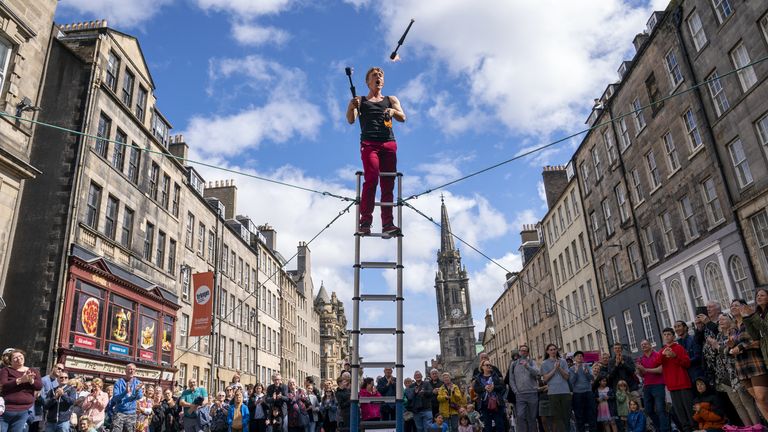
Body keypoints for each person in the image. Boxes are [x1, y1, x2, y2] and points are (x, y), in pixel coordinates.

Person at [346, 66, 406, 237]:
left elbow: (403, 117)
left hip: (388, 144)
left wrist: (393, 111)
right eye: (374, 75)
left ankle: (387, 223)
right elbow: (351, 119)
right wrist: (352, 107)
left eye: (380, 75)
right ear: (368, 81)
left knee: (388, 183)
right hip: (369, 144)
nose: (378, 77)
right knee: (371, 178)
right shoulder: (360, 100)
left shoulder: (391, 99)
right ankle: (365, 221)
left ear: (383, 81)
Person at [729, 299, 768, 421]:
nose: (733, 307)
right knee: (757, 399)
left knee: (761, 397)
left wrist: (739, 347)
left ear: (744, 307)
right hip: (741, 365)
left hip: (754, 361)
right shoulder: (732, 327)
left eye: (736, 305)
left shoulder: (748, 321)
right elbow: (729, 347)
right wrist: (730, 348)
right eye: (732, 306)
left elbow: (755, 340)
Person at [653, 328, 693, 432]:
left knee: (689, 408)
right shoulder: (662, 351)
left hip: (683, 383)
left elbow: (687, 363)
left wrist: (674, 356)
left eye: (669, 334)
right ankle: (686, 429)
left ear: (673, 336)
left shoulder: (679, 348)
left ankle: (695, 427)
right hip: (672, 385)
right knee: (679, 410)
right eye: (665, 334)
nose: (667, 336)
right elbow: (656, 363)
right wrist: (662, 355)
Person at [0, 349, 43, 432]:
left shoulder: (33, 371)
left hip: (23, 411)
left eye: (20, 356)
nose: (19, 358)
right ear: (10, 361)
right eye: (15, 358)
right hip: (6, 410)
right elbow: (4, 386)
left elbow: (39, 386)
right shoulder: (6, 370)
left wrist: (31, 381)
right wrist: (20, 380)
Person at [507, 344, 538, 432]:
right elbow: (511, 380)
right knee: (520, 416)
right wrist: (516, 391)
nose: (523, 352)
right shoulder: (514, 364)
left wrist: (527, 366)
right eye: (521, 350)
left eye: (525, 351)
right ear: (519, 352)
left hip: (532, 393)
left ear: (528, 353)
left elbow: (537, 373)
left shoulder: (532, 362)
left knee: (532, 417)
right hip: (520, 395)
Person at [539, 344, 570, 432]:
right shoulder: (544, 363)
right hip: (553, 392)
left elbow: (567, 377)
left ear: (557, 350)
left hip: (565, 391)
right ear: (547, 351)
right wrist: (554, 369)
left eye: (554, 349)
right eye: (551, 350)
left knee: (566, 415)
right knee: (557, 417)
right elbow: (545, 379)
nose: (553, 351)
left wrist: (559, 367)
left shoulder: (563, 361)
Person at [472, 360, 504, 432]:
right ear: (482, 367)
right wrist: (484, 388)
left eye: (490, 365)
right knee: (487, 425)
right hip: (484, 404)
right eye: (487, 365)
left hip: (496, 403)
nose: (489, 366)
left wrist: (494, 387)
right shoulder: (478, 378)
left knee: (499, 424)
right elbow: (476, 389)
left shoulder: (495, 376)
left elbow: (502, 387)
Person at [568, 351, 596, 432]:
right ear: (574, 358)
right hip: (577, 394)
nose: (580, 357)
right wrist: (576, 373)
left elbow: (592, 379)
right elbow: (571, 382)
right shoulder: (571, 369)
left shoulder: (587, 366)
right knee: (579, 415)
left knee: (591, 413)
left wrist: (587, 373)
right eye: (578, 356)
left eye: (581, 356)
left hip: (588, 392)